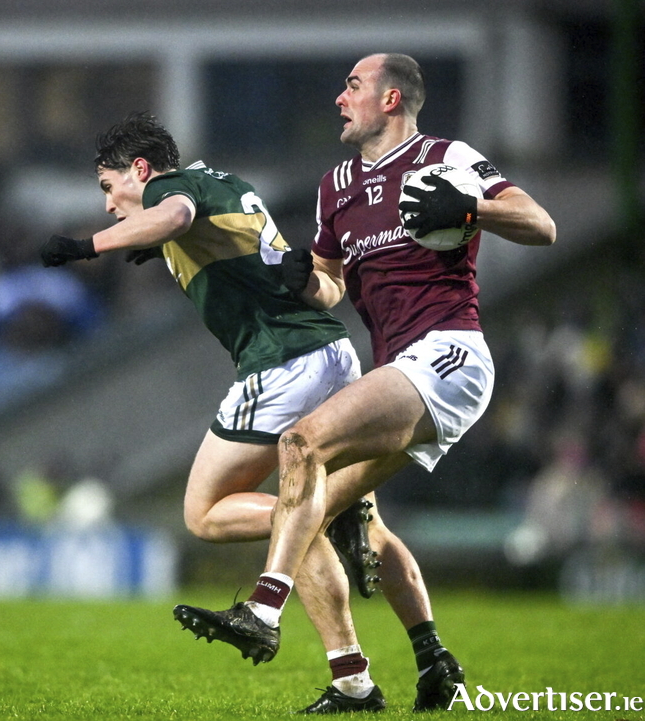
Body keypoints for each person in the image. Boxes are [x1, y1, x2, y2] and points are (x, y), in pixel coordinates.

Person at [175, 53, 557, 712]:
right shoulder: (336, 186)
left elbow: (542, 226)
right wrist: (305, 280)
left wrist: (471, 207)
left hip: (448, 356)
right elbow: (330, 284)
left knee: (300, 445)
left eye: (352, 85)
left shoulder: (447, 156)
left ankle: (263, 612)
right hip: (397, 370)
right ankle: (417, 661)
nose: (338, 98)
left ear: (391, 99)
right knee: (329, 511)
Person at [39, 112, 450, 714]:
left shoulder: (167, 193)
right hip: (333, 352)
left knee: (207, 513)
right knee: (352, 519)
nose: (108, 205)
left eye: (109, 187)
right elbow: (206, 233)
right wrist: (168, 248)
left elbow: (174, 214)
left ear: (142, 169)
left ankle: (323, 520)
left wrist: (85, 246)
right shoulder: (224, 181)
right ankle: (400, 663)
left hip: (282, 361)